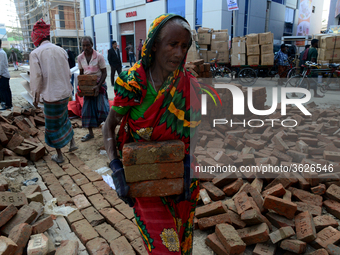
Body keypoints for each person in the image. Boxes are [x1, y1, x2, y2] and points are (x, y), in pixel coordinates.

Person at [103, 14, 201, 255]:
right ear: (154, 45)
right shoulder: (134, 82)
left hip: (181, 182)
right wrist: (116, 167)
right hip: (144, 181)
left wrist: (190, 164)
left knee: (182, 239)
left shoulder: (189, 85)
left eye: (184, 46)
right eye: (172, 44)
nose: (179, 53)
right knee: (165, 248)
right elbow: (108, 126)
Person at [30, 19, 78, 163]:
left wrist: (35, 97)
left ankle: (59, 155)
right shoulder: (60, 50)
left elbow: (36, 78)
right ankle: (73, 143)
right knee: (64, 119)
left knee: (52, 127)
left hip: (51, 95)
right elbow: (68, 73)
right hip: (65, 93)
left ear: (36, 37)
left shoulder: (35, 53)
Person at [77, 36, 110, 142]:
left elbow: (104, 73)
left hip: (99, 85)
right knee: (87, 110)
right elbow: (81, 74)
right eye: (83, 45)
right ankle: (90, 133)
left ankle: (108, 132)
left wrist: (98, 86)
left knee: (103, 109)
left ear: (92, 45)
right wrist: (80, 87)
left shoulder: (99, 56)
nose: (85, 47)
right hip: (87, 86)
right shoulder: (80, 58)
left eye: (87, 45)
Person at [0, 39, 12, 110]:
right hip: (3, 74)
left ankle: (7, 105)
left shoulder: (1, 53)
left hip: (3, 75)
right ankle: (8, 104)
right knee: (6, 90)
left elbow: (1, 65)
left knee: (4, 90)